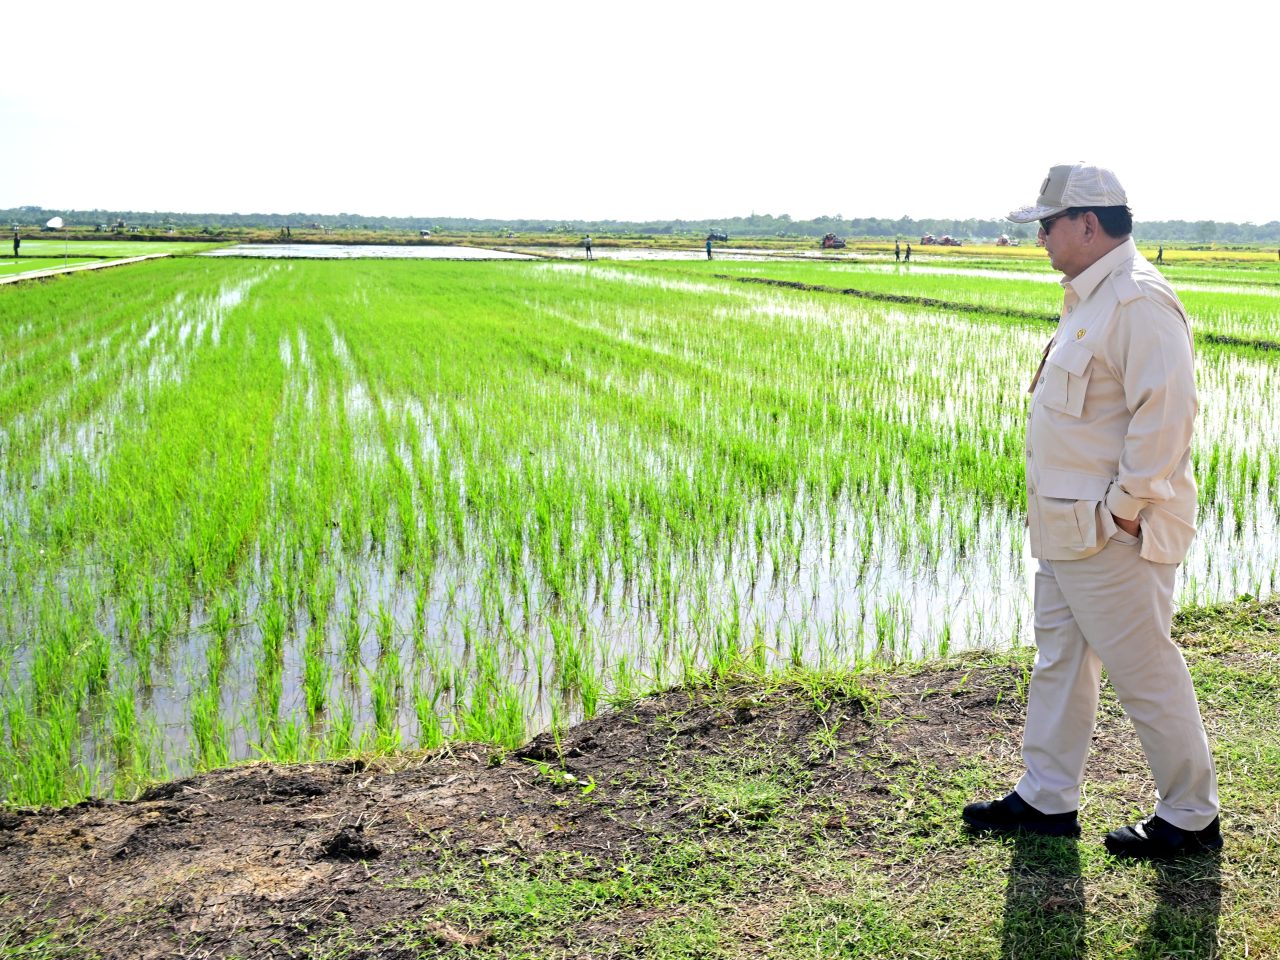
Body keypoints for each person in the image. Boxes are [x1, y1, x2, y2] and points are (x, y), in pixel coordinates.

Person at [962, 162, 1220, 859]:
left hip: (1111, 535)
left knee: (1145, 671)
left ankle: (1192, 814)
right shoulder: (1090, 299)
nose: (1040, 237)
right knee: (1060, 663)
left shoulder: (1137, 301)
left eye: (1047, 224)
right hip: (1066, 529)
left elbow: (1166, 418)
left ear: (1087, 222)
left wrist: (1126, 512)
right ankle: (1048, 797)